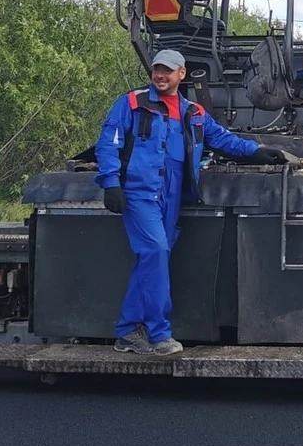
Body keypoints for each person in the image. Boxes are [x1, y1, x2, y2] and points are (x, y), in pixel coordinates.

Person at [94, 49, 283, 355]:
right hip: (139, 193)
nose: (160, 76)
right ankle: (158, 334)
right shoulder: (130, 103)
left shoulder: (193, 113)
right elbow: (108, 143)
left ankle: (128, 331)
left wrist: (256, 151)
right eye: (156, 70)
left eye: (167, 71)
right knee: (155, 250)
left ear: (181, 74)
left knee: (153, 260)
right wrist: (111, 183)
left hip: (172, 194)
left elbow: (223, 139)